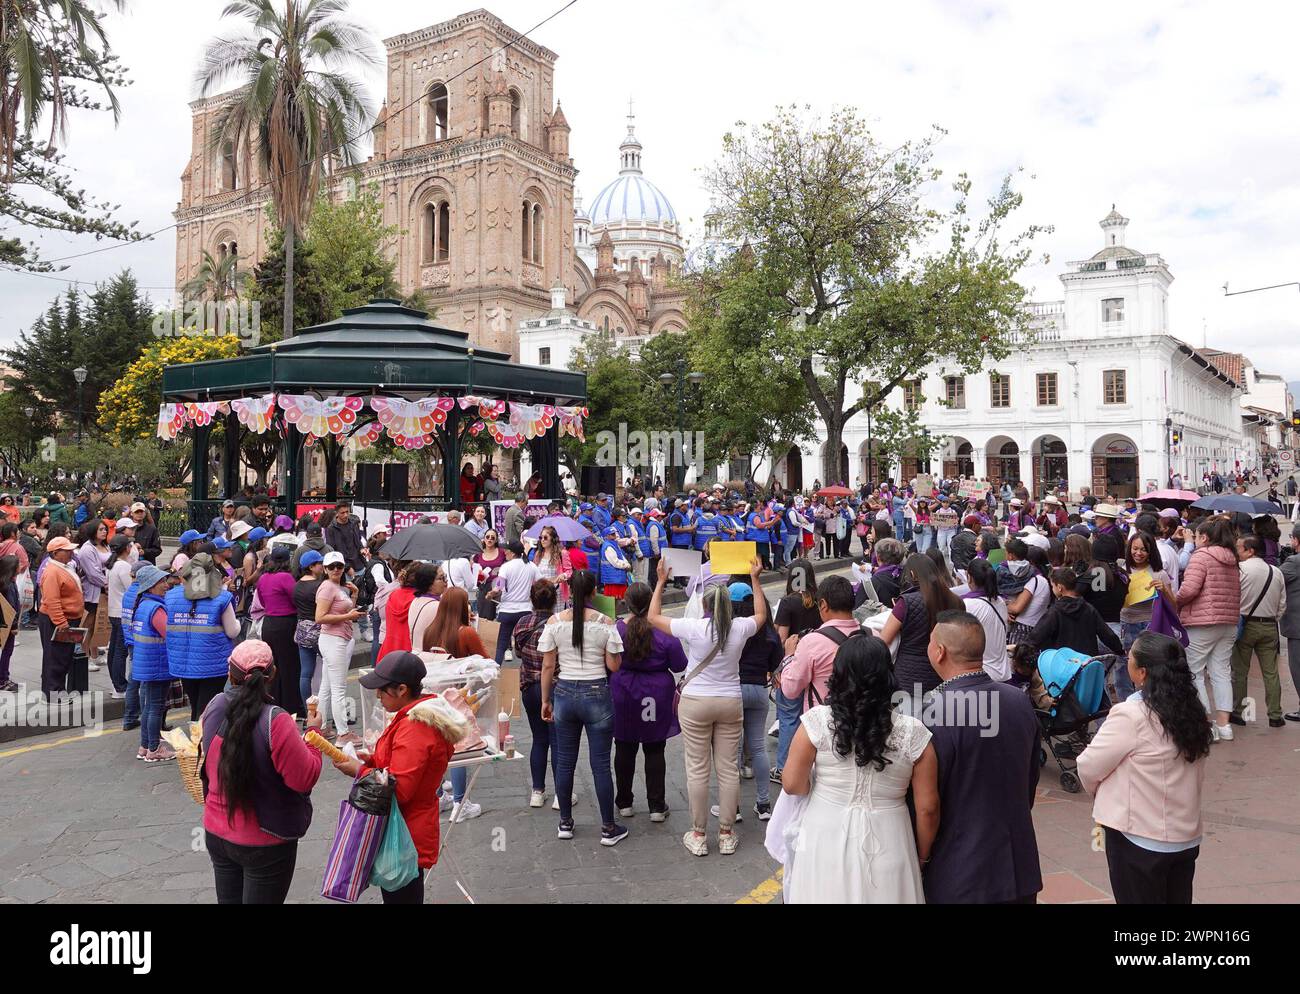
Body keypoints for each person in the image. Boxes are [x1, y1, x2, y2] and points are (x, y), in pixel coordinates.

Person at [781, 634, 939, 903]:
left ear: (839, 674)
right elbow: (928, 808)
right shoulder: (914, 734)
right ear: (888, 676)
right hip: (890, 836)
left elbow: (792, 784)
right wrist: (922, 855)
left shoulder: (816, 722)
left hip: (824, 831)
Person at [1077, 632, 1213, 904]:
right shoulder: (1193, 709)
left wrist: (1104, 790)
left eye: (1129, 659)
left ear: (1141, 672)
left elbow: (1089, 766)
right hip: (1185, 838)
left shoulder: (1132, 714)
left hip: (1139, 839)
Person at [648, 555, 766, 857]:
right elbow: (762, 615)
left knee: (697, 770)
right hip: (729, 700)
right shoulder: (739, 628)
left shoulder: (694, 628)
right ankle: (726, 833)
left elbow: (653, 618)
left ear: (704, 606)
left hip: (696, 701)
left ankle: (699, 834)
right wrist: (755, 577)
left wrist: (661, 582)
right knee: (728, 769)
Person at [922, 610, 1042, 904]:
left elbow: (927, 806)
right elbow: (1029, 781)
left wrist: (921, 856)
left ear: (939, 651)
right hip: (1018, 866)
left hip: (959, 872)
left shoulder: (932, 711)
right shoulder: (1018, 701)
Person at [331, 652, 470, 903]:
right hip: (408, 825)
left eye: (382, 691)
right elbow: (397, 764)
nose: (378, 696)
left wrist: (358, 771)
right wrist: (371, 760)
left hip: (407, 832)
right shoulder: (412, 716)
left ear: (402, 689)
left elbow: (401, 789)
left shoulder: (416, 726)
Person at [200, 640, 324, 904]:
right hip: (265, 840)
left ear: (229, 674)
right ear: (273, 674)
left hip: (218, 833)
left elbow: (209, 769)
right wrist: (313, 734)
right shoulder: (276, 720)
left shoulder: (215, 706)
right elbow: (303, 778)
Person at [539, 569, 628, 846]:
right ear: (593, 593)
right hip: (597, 693)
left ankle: (565, 822)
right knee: (600, 765)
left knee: (564, 762)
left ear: (570, 592)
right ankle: (608, 827)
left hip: (564, 692)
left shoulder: (554, 623)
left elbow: (548, 665)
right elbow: (614, 666)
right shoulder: (605, 623)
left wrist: (546, 700)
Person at [612, 581, 687, 821]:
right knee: (655, 748)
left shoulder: (618, 630)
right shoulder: (663, 631)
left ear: (627, 603)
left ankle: (624, 802)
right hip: (656, 692)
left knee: (624, 746)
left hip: (624, 690)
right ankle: (656, 805)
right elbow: (679, 664)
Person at [1177, 517, 1241, 741]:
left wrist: (1174, 601)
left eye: (1195, 537)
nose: (1193, 540)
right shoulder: (1232, 558)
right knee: (1221, 672)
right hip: (1228, 622)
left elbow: (1188, 590)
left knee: (1194, 672)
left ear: (1204, 537)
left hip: (1202, 623)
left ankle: (1206, 726)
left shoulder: (1201, 556)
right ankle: (1225, 726)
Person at [167, 553, 240, 720]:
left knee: (196, 705)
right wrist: (239, 624)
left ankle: (197, 740)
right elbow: (232, 631)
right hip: (213, 664)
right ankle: (204, 743)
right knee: (208, 709)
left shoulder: (171, 595)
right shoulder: (222, 598)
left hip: (183, 663)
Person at [880, 554, 964, 698]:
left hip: (908, 676)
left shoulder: (906, 602)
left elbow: (883, 641)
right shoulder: (957, 601)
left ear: (912, 574)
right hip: (944, 671)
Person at [513, 580, 562, 808]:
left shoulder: (522, 623)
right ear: (554, 599)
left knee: (539, 739)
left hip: (528, 686)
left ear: (532, 599)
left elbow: (517, 653)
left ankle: (537, 791)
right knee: (558, 741)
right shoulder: (558, 624)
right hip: (553, 686)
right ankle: (561, 795)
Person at [1230, 534, 1287, 728]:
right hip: (1269, 626)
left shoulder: (1239, 570)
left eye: (1239, 548)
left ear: (1249, 550)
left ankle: (1238, 712)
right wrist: (1272, 618)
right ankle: (1275, 714)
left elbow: (1233, 598)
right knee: (1271, 672)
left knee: (1240, 671)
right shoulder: (1275, 571)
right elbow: (1282, 604)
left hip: (1246, 624)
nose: (1236, 551)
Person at [128, 565, 177, 761]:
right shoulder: (156, 608)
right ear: (150, 586)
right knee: (155, 705)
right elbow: (169, 633)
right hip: (157, 663)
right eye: (161, 582)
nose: (166, 585)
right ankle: (154, 749)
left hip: (146, 662)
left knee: (149, 705)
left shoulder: (143, 605)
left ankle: (145, 746)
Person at [256, 545, 302, 716]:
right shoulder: (286, 577)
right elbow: (295, 598)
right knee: (289, 666)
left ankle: (273, 702)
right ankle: (291, 706)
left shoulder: (263, 578)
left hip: (269, 623)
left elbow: (260, 599)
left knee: (273, 667)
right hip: (286, 623)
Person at [960, 559, 1011, 682]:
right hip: (1004, 672)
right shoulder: (1000, 601)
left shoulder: (968, 604)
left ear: (969, 578)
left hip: (984, 675)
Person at [491, 541, 539, 666]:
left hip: (507, 610)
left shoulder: (505, 567)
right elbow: (541, 582)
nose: (505, 553)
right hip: (526, 611)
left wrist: (491, 593)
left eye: (506, 550)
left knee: (501, 645)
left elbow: (498, 588)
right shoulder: (531, 566)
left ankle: (496, 672)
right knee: (526, 647)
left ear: (512, 553)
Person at [292, 550, 326, 707]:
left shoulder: (296, 585)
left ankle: (308, 710)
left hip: (302, 631)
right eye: (319, 563)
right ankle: (326, 709)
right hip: (320, 630)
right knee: (328, 671)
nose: (322, 566)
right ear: (311, 567)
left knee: (305, 673)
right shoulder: (319, 586)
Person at [104, 534, 134, 700]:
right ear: (126, 548)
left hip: (114, 611)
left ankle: (117, 684)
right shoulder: (123, 566)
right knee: (120, 652)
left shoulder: (114, 565)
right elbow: (131, 589)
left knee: (115, 649)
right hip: (122, 613)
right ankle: (120, 687)